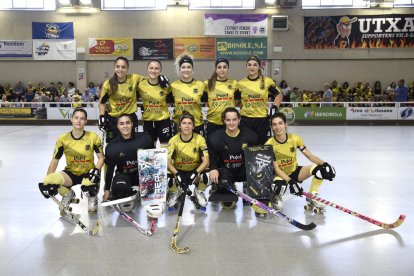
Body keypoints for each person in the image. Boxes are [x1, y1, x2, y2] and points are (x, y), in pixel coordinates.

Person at [265, 112, 336, 213]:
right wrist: (290, 181)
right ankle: (276, 196)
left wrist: (325, 164)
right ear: (271, 127)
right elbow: (276, 169)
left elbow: (309, 156)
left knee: (321, 169)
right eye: (274, 124)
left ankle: (312, 195)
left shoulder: (295, 138)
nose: (278, 127)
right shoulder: (269, 144)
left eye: (280, 123)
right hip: (280, 175)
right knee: (279, 205)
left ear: (285, 124)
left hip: (294, 171)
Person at [38, 108, 104, 214]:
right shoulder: (63, 139)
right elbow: (55, 160)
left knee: (89, 190)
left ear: (86, 121)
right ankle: (68, 194)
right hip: (71, 174)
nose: (79, 121)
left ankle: (92, 197)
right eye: (76, 118)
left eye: (82, 119)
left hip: (87, 173)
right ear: (71, 119)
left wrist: (96, 170)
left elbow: (101, 158)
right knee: (48, 181)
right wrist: (48, 180)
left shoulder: (93, 137)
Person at [208, 107, 258, 209]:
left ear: (239, 120)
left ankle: (246, 186)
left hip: (243, 171)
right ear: (223, 120)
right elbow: (213, 157)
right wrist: (213, 169)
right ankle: (229, 185)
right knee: (228, 205)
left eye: (234, 119)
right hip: (227, 171)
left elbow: (256, 157)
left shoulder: (251, 136)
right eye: (228, 120)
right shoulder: (215, 137)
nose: (231, 123)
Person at [103, 114, 153, 212]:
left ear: (132, 124)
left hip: (142, 174)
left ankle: (141, 191)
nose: (125, 126)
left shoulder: (145, 139)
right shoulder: (111, 147)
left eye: (128, 123)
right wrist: (107, 190)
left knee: (151, 181)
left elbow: (154, 160)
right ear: (117, 126)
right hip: (124, 175)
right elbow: (109, 170)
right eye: (121, 124)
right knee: (120, 188)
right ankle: (128, 191)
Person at [235, 55, 282, 145]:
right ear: (246, 66)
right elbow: (236, 102)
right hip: (246, 121)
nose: (252, 67)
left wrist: (275, 107)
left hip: (262, 120)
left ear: (259, 66)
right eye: (249, 65)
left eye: (255, 65)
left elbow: (279, 95)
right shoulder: (240, 83)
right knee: (247, 148)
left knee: (263, 148)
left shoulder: (267, 81)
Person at [167, 112, 209, 210]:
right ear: (180, 126)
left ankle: (198, 191)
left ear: (193, 126)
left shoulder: (200, 139)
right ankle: (175, 192)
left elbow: (206, 162)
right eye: (184, 123)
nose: (187, 126)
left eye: (189, 123)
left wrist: (195, 173)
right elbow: (168, 163)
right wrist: (177, 174)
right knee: (167, 176)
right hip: (178, 171)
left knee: (208, 175)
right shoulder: (173, 140)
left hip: (195, 171)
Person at [99, 56, 144, 142]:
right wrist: (101, 117)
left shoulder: (134, 78)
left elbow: (149, 80)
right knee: (112, 144)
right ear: (114, 67)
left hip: (130, 118)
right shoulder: (108, 84)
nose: (120, 69)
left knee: (133, 144)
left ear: (127, 68)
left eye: (123, 67)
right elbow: (102, 102)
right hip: (113, 119)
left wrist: (161, 79)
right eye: (117, 66)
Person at [169, 53, 206, 136]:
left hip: (197, 124)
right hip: (179, 125)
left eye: (189, 67)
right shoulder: (173, 86)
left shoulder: (200, 85)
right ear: (180, 69)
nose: (186, 70)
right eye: (183, 67)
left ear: (192, 69)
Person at [137, 59, 171, 147]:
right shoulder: (141, 85)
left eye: (156, 68)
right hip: (148, 121)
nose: (153, 71)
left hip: (163, 120)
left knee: (165, 147)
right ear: (147, 69)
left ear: (160, 70)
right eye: (151, 68)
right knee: (150, 147)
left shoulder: (166, 85)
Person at [204, 58, 237, 137]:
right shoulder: (207, 84)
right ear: (216, 69)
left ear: (228, 69)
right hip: (213, 123)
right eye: (219, 67)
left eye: (225, 67)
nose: (222, 70)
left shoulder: (234, 83)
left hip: (229, 123)